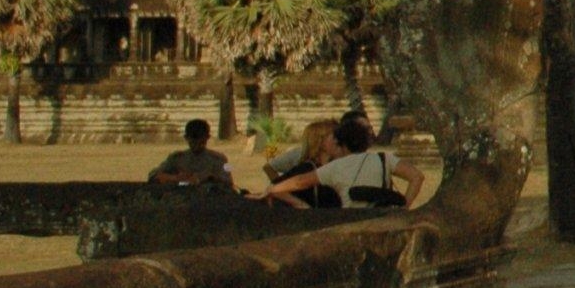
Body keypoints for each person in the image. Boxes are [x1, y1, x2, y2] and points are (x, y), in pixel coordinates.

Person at [265, 113, 424, 209]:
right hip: (383, 219)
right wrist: (404, 208)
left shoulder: (336, 167)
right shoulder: (383, 158)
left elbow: (299, 182)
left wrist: (272, 189)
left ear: (341, 142)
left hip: (351, 223)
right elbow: (417, 176)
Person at [263, 119, 344, 207]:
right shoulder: (307, 168)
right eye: (334, 137)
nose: (338, 141)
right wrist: (301, 205)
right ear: (320, 142)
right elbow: (275, 188)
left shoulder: (336, 165)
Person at [148, 119, 232, 188]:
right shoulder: (176, 158)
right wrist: (176, 178)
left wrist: (209, 177)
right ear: (186, 138)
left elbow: (229, 180)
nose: (198, 144)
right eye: (194, 141)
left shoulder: (220, 159)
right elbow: (153, 174)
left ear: (207, 138)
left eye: (201, 140)